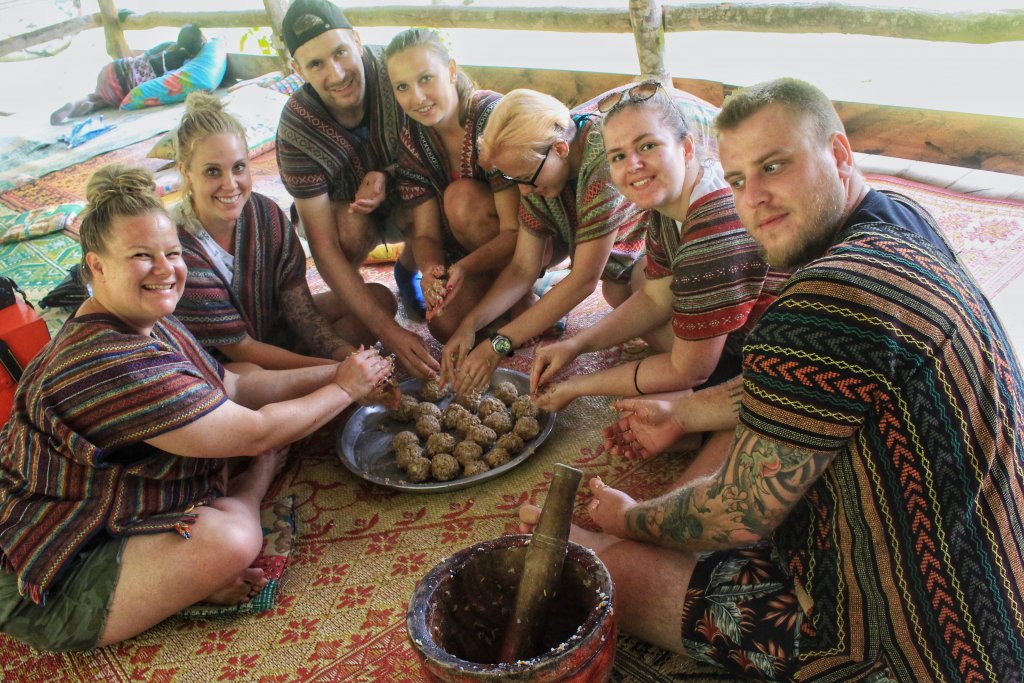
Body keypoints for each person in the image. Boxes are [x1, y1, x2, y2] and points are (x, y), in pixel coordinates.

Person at [523, 78, 1024, 680]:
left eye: (775, 166)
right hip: (1001, 570)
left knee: (595, 565)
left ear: (839, 156)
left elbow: (738, 513)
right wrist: (683, 414)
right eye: (736, 179)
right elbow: (803, 382)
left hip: (916, 647)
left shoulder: (829, 300)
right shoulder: (897, 219)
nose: (753, 198)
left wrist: (626, 517)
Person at [0, 164, 393, 651]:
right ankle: (245, 502)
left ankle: (174, 574)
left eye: (171, 253)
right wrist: (346, 391)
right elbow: (255, 431)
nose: (166, 270)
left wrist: (344, 372)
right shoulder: (106, 362)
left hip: (112, 494)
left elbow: (233, 385)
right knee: (229, 539)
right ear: (96, 265)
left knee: (231, 415)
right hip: (52, 563)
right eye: (142, 257)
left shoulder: (147, 318)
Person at [530, 81, 790, 413]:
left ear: (686, 148)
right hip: (747, 331)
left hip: (779, 358)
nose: (633, 165)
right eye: (619, 156)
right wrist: (576, 346)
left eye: (648, 146)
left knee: (649, 414)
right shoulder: (674, 203)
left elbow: (690, 368)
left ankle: (718, 404)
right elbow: (655, 298)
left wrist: (577, 387)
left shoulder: (712, 226)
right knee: (631, 290)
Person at [439, 86, 654, 396]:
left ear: (561, 149)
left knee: (635, 289)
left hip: (690, 233)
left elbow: (583, 281)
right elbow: (522, 267)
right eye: (515, 181)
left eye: (527, 178)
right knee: (618, 290)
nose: (523, 192)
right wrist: (469, 326)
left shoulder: (604, 166)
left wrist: (500, 343)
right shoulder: (538, 168)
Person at [275, 0, 438, 379]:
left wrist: (386, 171)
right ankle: (346, 305)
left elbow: (448, 138)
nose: (336, 74)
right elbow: (323, 244)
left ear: (358, 41)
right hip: (350, 216)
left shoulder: (398, 72)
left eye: (340, 53)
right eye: (315, 64)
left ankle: (411, 268)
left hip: (414, 197)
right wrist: (390, 332)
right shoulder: (296, 128)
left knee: (447, 197)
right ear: (297, 70)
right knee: (348, 234)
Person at [172, 91, 368, 369]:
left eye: (238, 168)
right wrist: (339, 371)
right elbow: (242, 350)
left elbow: (302, 313)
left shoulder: (264, 214)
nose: (230, 185)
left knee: (375, 301)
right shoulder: (177, 247)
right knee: (249, 373)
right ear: (186, 173)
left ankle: (302, 382)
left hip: (271, 333)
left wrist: (346, 355)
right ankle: (307, 384)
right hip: (224, 365)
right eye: (212, 172)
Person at [384, 28, 521, 342]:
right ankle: (502, 302)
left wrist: (462, 270)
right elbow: (426, 232)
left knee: (460, 199)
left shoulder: (489, 117)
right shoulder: (413, 138)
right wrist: (432, 272)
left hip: (530, 244)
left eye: (426, 79)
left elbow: (515, 231)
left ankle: (521, 292)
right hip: (473, 254)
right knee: (444, 325)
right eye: (402, 87)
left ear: (451, 70)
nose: (416, 97)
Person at [50, 23, 206, 125]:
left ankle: (79, 104)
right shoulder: (185, 63)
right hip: (122, 86)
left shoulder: (167, 45)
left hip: (113, 69)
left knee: (101, 95)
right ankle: (91, 104)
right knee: (114, 97)